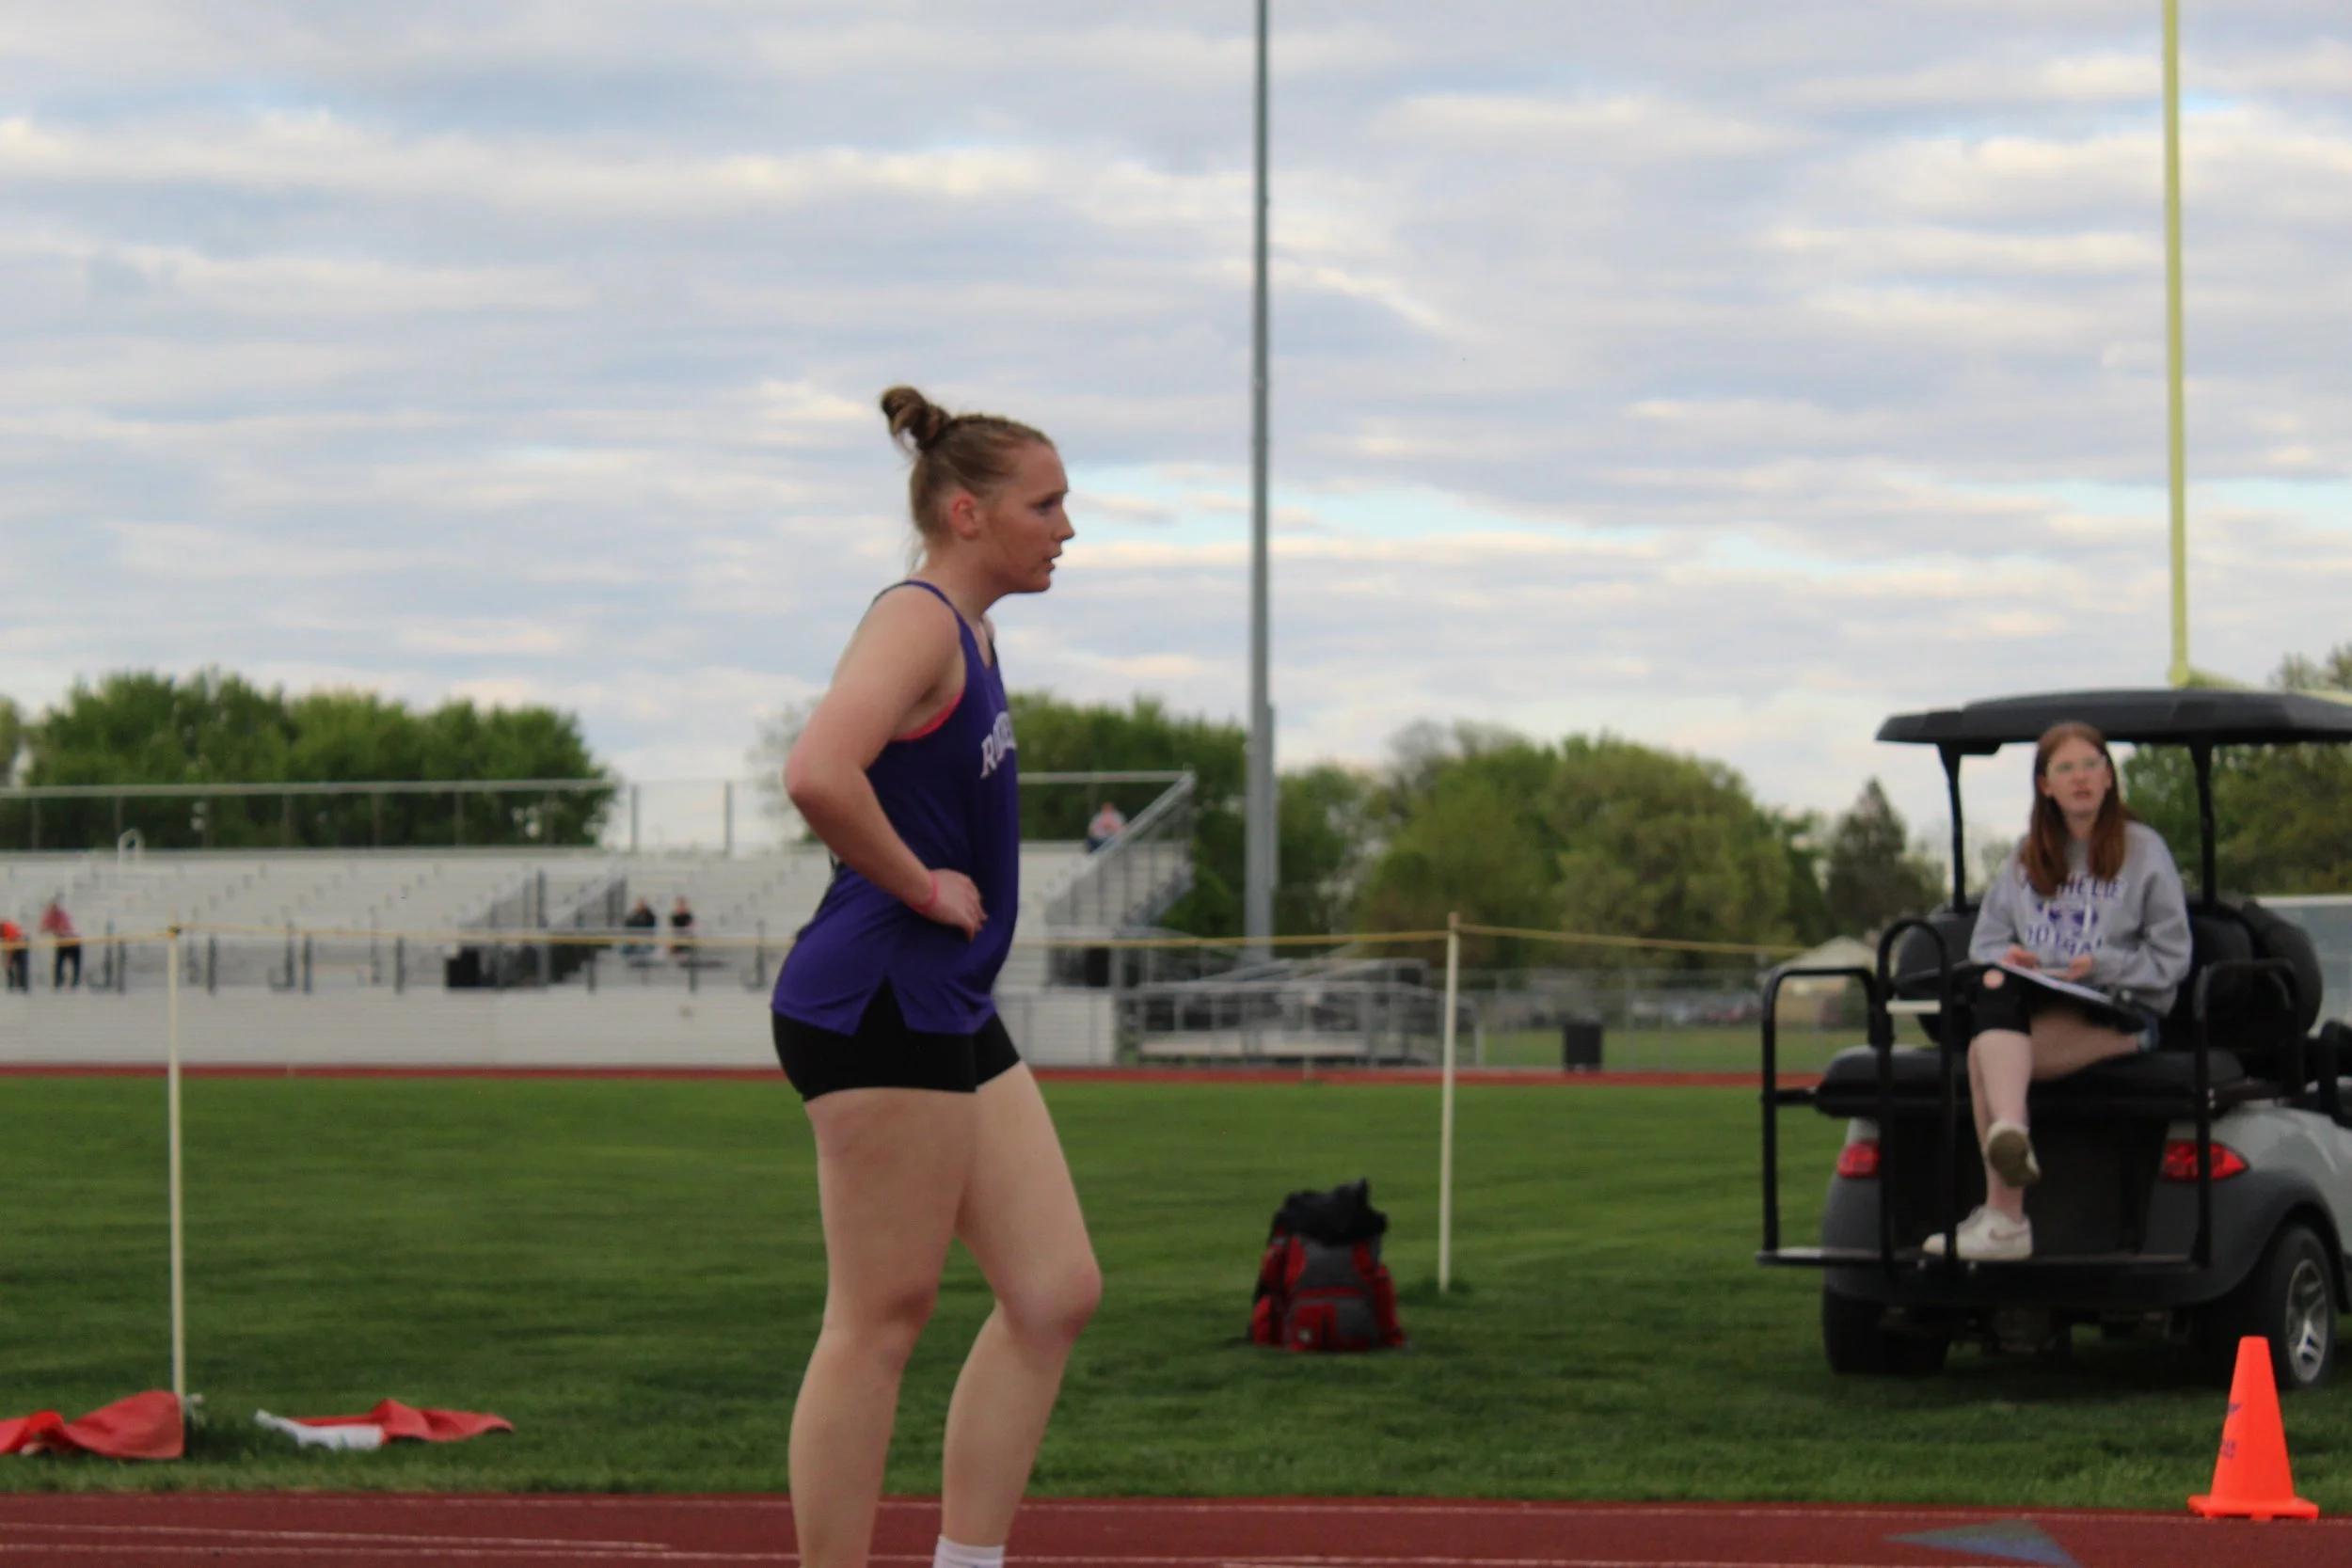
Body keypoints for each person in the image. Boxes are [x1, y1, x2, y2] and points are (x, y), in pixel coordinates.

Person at [773, 386, 1096, 1568]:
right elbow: (818, 772)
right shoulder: (916, 619)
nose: (1066, 526)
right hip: (874, 1003)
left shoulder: (976, 629)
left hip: (943, 999)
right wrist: (919, 883)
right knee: (880, 1317)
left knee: (1055, 1287)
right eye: (1045, 503)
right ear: (966, 512)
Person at [1931, 721, 2192, 1261]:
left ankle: (2006, 1216)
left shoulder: (2145, 851)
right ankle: (2008, 1143)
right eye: (2066, 768)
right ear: (2045, 785)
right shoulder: (2030, 854)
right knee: (1996, 985)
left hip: (2120, 1007)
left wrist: (2098, 966)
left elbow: (2172, 959)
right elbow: (1986, 944)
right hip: (2043, 1001)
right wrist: (2015, 957)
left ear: (2109, 778)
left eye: (2092, 765)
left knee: (1986, 1053)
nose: (2081, 778)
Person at [40, 897, 80, 990]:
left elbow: (63, 929)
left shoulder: (62, 915)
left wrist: (52, 929)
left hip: (72, 941)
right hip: (62, 942)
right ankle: (58, 982)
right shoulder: (50, 916)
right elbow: (42, 928)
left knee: (75, 964)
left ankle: (74, 983)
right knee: (58, 963)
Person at [621, 897, 658, 961]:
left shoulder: (649, 916)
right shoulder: (633, 914)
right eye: (639, 904)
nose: (640, 906)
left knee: (642, 948)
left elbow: (649, 930)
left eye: (642, 904)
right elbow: (628, 925)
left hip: (645, 940)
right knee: (623, 948)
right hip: (633, 939)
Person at [668, 895, 697, 963]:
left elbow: (691, 929)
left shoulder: (689, 916)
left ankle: (684, 959)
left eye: (682, 905)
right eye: (679, 905)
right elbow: (672, 930)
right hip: (677, 939)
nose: (681, 907)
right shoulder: (674, 917)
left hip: (686, 939)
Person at [0, 917, 26, 992]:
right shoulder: (3, 929)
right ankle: (11, 986)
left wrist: (9, 960)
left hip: (20, 946)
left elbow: (10, 947)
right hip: (12, 944)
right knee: (9, 966)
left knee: (20, 966)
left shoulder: (9, 929)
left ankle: (22, 985)